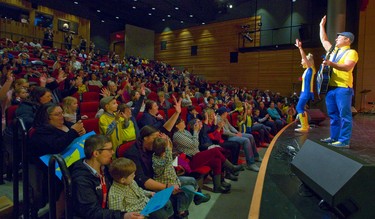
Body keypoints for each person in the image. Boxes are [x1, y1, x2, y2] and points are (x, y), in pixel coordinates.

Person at [123, 126, 210, 218]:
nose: (158, 140)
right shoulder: (133, 153)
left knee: (191, 182)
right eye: (155, 137)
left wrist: (175, 167)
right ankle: (182, 213)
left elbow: (166, 156)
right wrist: (167, 187)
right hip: (152, 185)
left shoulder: (153, 146)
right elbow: (142, 180)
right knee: (187, 188)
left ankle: (192, 203)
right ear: (145, 137)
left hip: (163, 178)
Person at [29, 103, 86, 218]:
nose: (62, 117)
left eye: (62, 113)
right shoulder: (40, 132)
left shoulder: (67, 124)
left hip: (72, 160)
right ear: (47, 117)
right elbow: (56, 146)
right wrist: (74, 132)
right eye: (57, 114)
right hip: (52, 167)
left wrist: (81, 133)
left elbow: (73, 137)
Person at [70, 135, 144, 219]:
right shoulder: (81, 179)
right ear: (96, 153)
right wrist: (123, 216)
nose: (112, 152)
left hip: (110, 212)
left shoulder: (106, 167)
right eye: (109, 150)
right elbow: (91, 212)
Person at [319, 15, 359, 148]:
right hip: (331, 87)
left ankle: (344, 141)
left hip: (343, 87)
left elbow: (347, 67)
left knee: (344, 115)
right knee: (333, 115)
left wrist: (330, 63)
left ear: (347, 39)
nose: (336, 39)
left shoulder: (351, 52)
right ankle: (334, 137)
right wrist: (321, 26)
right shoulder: (334, 51)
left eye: (339, 37)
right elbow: (324, 40)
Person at [108, 158, 173, 218]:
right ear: (123, 180)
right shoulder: (115, 194)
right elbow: (118, 213)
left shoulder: (131, 182)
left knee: (167, 202)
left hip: (146, 203)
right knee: (161, 215)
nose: (134, 176)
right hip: (139, 213)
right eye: (132, 175)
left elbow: (139, 190)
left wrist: (150, 193)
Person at [294, 38, 315, 132]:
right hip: (304, 91)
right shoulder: (307, 70)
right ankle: (305, 125)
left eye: (303, 60)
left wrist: (300, 48)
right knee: (301, 108)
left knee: (298, 107)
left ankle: (304, 127)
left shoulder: (310, 69)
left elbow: (304, 57)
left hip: (306, 92)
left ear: (308, 61)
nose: (301, 61)